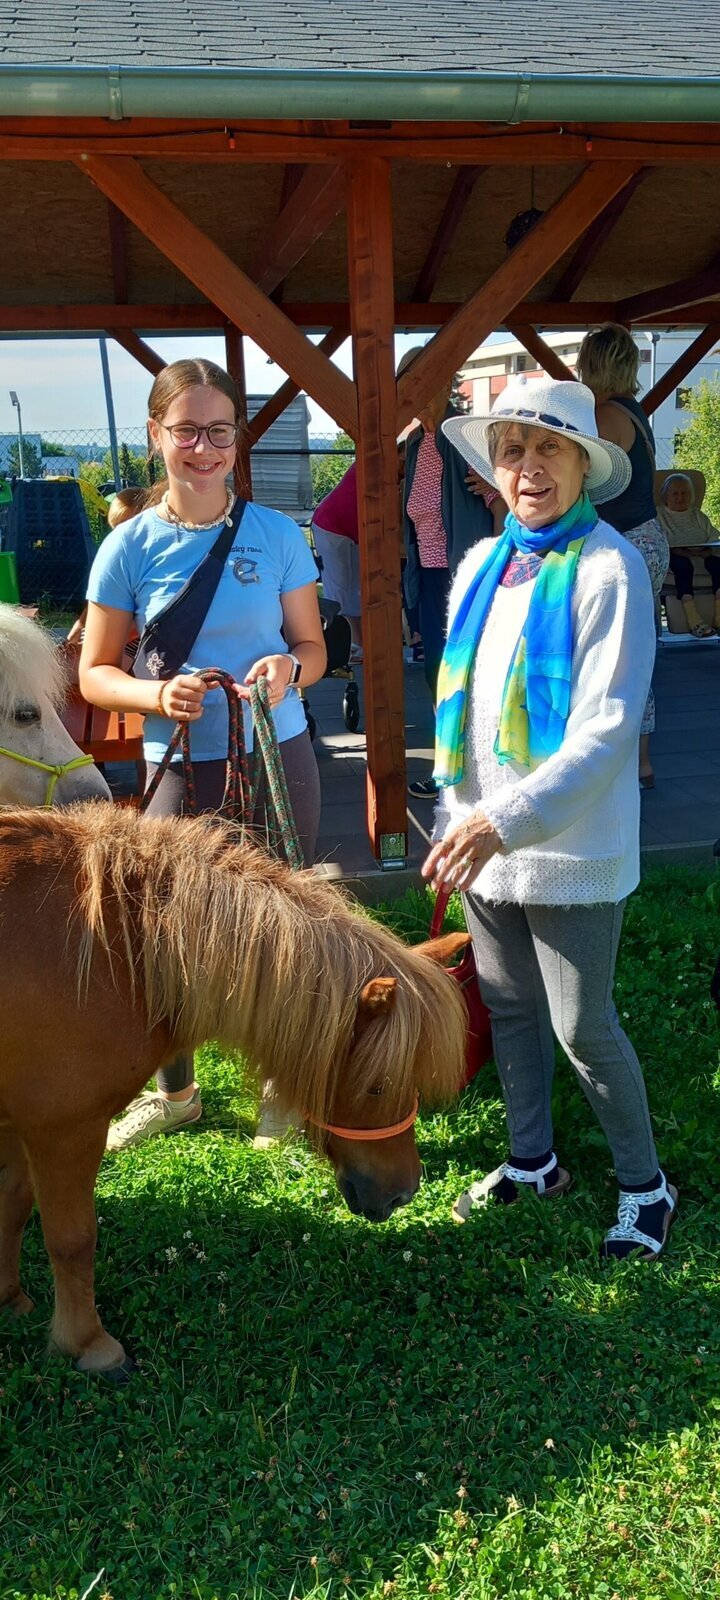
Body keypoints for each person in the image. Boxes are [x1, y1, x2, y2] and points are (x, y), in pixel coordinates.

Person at [423, 373, 677, 1263]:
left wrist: (503, 821)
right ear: (493, 468)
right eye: (512, 449)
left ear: (582, 464)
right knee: (509, 1006)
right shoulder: (480, 566)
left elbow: (607, 731)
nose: (529, 466)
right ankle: (533, 1161)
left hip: (569, 845)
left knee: (582, 1025)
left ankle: (646, 1186)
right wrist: (461, 820)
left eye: (549, 448)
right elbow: (464, 713)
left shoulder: (610, 569)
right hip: (484, 842)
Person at [80, 357, 326, 1151]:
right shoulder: (127, 547)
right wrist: (158, 696)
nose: (204, 448)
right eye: (187, 431)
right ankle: (176, 1093)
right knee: (163, 932)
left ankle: (281, 1084)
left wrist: (290, 670)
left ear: (237, 440)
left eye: (220, 432)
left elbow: (313, 648)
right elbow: (94, 673)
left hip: (275, 752)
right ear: (156, 435)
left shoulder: (277, 534)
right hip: (179, 763)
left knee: (284, 921)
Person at [400, 348, 499, 799]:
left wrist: (497, 490)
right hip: (430, 576)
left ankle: (473, 773)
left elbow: (504, 499)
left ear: (443, 383)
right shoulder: (415, 444)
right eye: (405, 385)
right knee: (438, 673)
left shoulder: (463, 436)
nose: (411, 394)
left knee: (469, 674)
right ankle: (451, 769)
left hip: (467, 574)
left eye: (418, 382)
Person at [577, 324, 669, 791]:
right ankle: (641, 763)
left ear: (591, 364)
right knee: (637, 651)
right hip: (648, 537)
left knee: (617, 657)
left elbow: (578, 477)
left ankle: (623, 762)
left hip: (623, 544)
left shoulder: (605, 414)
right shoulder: (633, 411)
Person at [658, 472, 720, 637]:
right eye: (675, 493)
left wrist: (707, 551)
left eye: (684, 493)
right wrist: (679, 551)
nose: (680, 497)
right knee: (682, 566)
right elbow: (658, 541)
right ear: (665, 496)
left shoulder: (698, 515)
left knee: (718, 565)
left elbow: (714, 537)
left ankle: (719, 618)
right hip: (675, 557)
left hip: (702, 556)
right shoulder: (659, 516)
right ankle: (694, 620)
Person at [311, 461, 363, 661]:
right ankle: (336, 646)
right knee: (338, 587)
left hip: (349, 529)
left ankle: (356, 643)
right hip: (330, 527)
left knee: (355, 587)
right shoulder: (369, 466)